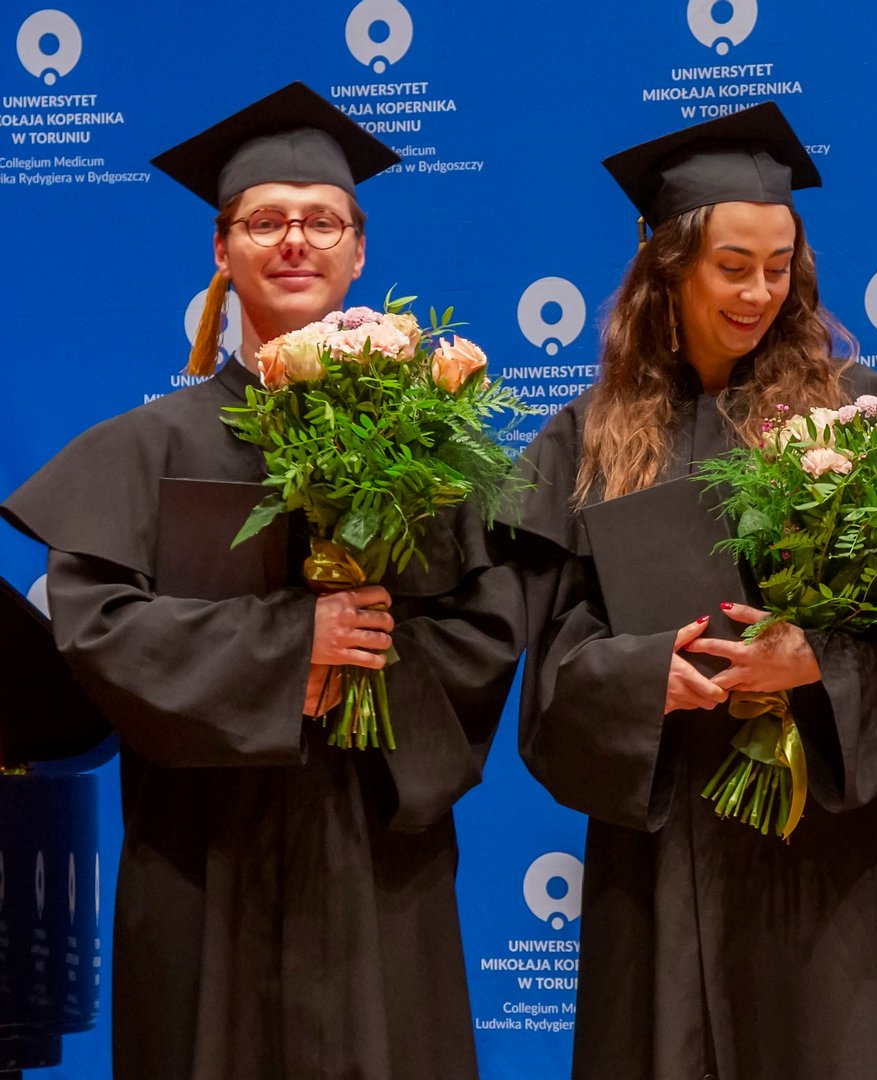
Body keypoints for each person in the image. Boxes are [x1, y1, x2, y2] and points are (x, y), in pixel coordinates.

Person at [0, 82, 522, 1080]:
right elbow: (101, 631)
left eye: (322, 221)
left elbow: (487, 631)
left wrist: (368, 663)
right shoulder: (146, 448)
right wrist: (292, 649)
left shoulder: (433, 451)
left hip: (377, 857)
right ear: (221, 248)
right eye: (265, 221)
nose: (294, 241)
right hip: (204, 860)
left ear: (358, 251)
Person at [499, 102, 877, 1080]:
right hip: (664, 848)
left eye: (778, 267)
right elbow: (552, 653)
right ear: (669, 268)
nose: (759, 293)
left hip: (828, 850)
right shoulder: (586, 437)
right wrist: (642, 677)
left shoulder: (861, 413)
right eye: (732, 267)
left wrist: (815, 663)